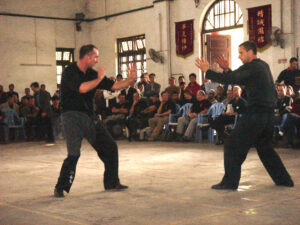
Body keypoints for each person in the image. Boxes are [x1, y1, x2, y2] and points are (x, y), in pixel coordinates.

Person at [195, 41, 294, 190]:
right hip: (268, 115)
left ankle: (230, 182)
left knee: (231, 144)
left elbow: (233, 79)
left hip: (257, 113)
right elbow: (237, 76)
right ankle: (284, 180)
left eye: (241, 53)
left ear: (250, 52)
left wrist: (208, 71)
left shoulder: (253, 67)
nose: (239, 56)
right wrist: (227, 69)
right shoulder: (263, 66)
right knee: (264, 148)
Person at [54, 44, 137, 197]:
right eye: (96, 57)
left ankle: (112, 182)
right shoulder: (69, 71)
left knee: (110, 147)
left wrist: (130, 80)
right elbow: (82, 88)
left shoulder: (92, 74)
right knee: (74, 154)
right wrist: (99, 79)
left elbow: (114, 86)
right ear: (87, 57)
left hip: (89, 117)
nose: (97, 60)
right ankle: (60, 186)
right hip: (71, 116)